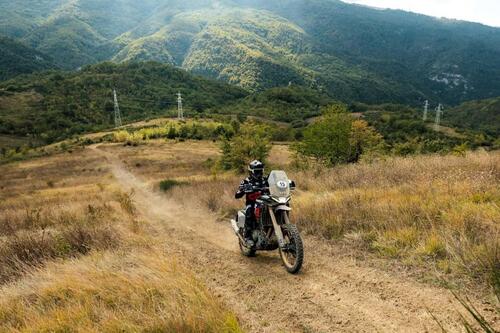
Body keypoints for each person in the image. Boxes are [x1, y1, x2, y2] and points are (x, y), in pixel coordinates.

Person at [235, 160, 269, 246]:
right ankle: (247, 237)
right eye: (257, 171)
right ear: (251, 172)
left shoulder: (266, 180)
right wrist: (243, 189)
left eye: (261, 171)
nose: (259, 173)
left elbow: (274, 185)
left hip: (266, 202)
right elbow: (237, 195)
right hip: (252, 203)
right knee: (250, 211)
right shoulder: (246, 181)